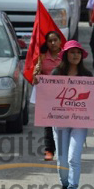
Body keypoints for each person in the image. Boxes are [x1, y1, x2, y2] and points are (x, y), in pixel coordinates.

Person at [51, 41, 94, 189]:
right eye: (72, 52)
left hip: (79, 124)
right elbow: (44, 96)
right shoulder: (56, 74)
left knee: (74, 157)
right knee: (62, 159)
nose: (75, 55)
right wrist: (38, 83)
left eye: (78, 52)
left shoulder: (87, 76)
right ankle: (65, 187)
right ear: (65, 54)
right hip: (59, 123)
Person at [33, 31, 62, 161]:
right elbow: (35, 81)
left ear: (60, 41)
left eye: (55, 40)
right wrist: (36, 73)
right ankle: (49, 150)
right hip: (48, 97)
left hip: (64, 96)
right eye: (50, 41)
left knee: (63, 123)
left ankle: (62, 149)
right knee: (48, 124)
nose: (53, 43)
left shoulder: (67, 56)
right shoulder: (42, 58)